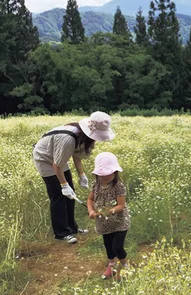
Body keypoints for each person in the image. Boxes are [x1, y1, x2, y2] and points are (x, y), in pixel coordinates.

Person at [33, 111, 115, 244]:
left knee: (71, 195)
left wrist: (81, 175)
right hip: (44, 159)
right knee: (58, 196)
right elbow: (56, 165)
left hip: (57, 159)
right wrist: (63, 186)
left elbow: (76, 155)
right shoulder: (68, 138)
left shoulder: (80, 136)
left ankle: (72, 228)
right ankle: (61, 233)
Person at [87, 152, 130, 281]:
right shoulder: (96, 185)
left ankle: (125, 265)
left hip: (119, 222)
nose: (104, 177)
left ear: (115, 172)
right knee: (108, 245)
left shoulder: (119, 186)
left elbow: (121, 205)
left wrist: (110, 211)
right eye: (101, 175)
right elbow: (90, 199)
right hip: (103, 222)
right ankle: (112, 264)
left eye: (108, 174)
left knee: (117, 246)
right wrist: (91, 211)